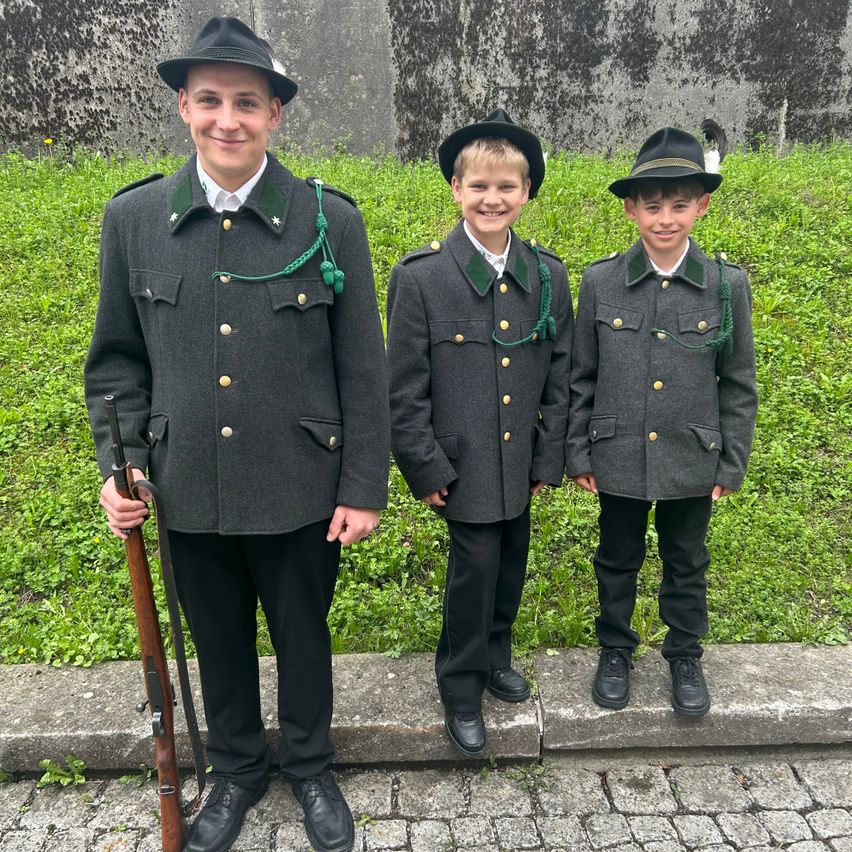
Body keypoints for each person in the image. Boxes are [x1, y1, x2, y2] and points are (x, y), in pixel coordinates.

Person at [84, 17, 389, 852]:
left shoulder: (329, 221)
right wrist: (123, 469)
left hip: (299, 484)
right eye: (211, 100)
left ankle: (312, 768)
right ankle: (236, 773)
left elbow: (364, 368)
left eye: (247, 103)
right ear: (183, 106)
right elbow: (117, 365)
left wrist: (363, 486)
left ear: (275, 115)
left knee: (303, 638)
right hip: (188, 488)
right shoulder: (137, 220)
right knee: (216, 641)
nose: (229, 119)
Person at [387, 109, 573, 756]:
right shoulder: (420, 279)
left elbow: (561, 375)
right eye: (478, 186)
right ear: (456, 189)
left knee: (511, 566)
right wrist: (425, 467)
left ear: (527, 193)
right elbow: (403, 388)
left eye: (507, 187)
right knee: (474, 573)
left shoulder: (547, 276)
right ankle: (461, 687)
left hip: (519, 462)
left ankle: (496, 657)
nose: (492, 199)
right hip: (460, 466)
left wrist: (547, 459)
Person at [566, 126, 757, 717]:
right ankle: (616, 650)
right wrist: (578, 451)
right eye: (653, 206)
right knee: (616, 556)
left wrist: (731, 459)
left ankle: (684, 653)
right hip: (618, 451)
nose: (666, 218)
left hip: (690, 455)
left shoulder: (727, 286)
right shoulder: (601, 281)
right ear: (631, 209)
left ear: (701, 205)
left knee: (686, 558)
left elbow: (739, 384)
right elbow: (581, 376)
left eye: (679, 204)